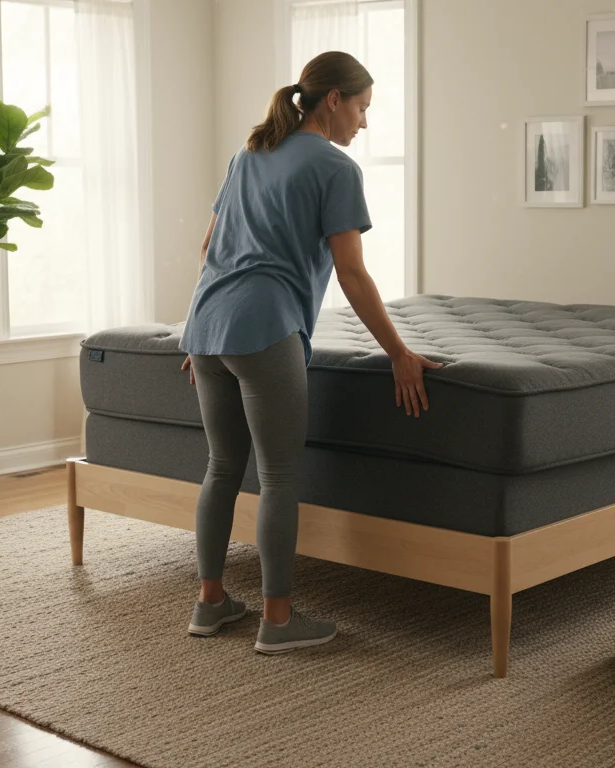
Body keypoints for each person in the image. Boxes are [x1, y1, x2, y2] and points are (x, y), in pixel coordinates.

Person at [178, 51, 442, 655]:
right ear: (334, 101)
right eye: (363, 107)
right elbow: (352, 273)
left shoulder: (248, 155)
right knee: (278, 476)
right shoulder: (334, 167)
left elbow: (209, 248)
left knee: (221, 468)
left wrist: (203, 334)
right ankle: (277, 620)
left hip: (209, 324)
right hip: (265, 328)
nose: (364, 123)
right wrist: (398, 351)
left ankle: (211, 603)